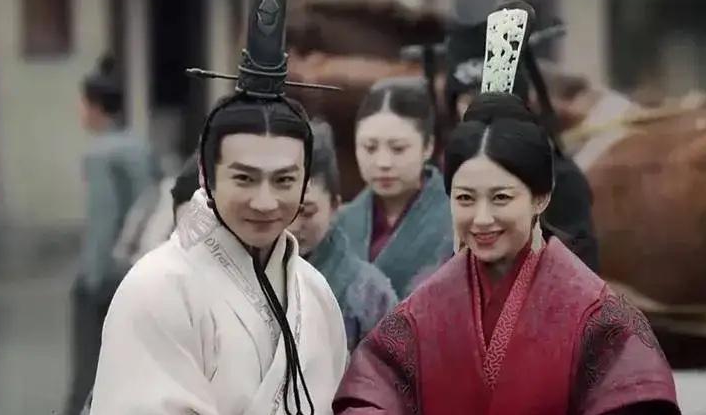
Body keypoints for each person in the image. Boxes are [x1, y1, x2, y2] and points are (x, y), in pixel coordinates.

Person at [89, 0, 348, 413]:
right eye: (244, 178)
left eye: (284, 180)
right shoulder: (158, 288)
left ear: (306, 181)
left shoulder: (315, 293)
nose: (265, 201)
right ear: (206, 177)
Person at [333, 93, 679, 415]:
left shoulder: (598, 314)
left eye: (501, 198)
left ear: (540, 198)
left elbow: (635, 398)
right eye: (465, 199)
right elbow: (373, 391)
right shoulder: (420, 314)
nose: (482, 218)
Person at [442, 0, 600, 272]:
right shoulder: (439, 174)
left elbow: (581, 281)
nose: (478, 113)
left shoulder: (560, 179)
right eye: (468, 100)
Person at [65, 54, 159, 415]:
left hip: (106, 274)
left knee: (89, 369)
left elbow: (103, 219)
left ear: (94, 107)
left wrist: (90, 277)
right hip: (140, 266)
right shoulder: (140, 146)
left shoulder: (100, 155)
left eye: (82, 104)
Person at [335, 77, 453, 297]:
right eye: (370, 148)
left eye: (398, 149)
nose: (383, 163)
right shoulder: (339, 223)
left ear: (428, 146)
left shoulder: (457, 218)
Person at [289, 119, 399, 350]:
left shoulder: (370, 293)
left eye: (306, 212)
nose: (293, 225)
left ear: (334, 206)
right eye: (285, 211)